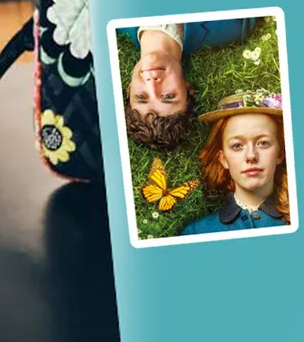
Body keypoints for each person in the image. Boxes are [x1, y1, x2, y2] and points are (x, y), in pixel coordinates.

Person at [120, 17, 256, 149]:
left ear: (129, 90)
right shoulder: (231, 26)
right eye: (168, 96)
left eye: (141, 97)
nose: (152, 84)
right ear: (188, 89)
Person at [181, 91, 290, 235]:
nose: (251, 156)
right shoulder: (196, 232)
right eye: (237, 145)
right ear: (223, 159)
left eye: (263, 143)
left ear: (280, 153)